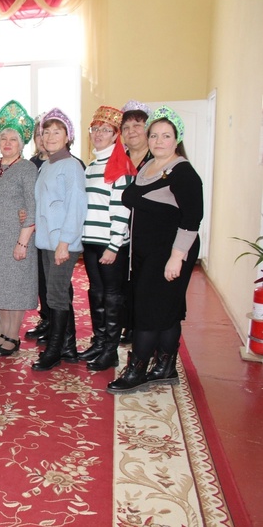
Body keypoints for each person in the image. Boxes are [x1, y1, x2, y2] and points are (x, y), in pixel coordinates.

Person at [108, 106, 203, 393]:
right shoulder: (148, 166)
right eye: (154, 135)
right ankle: (165, 367)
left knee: (149, 311)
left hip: (170, 252)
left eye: (166, 136)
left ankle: (136, 371)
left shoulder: (184, 173)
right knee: (166, 308)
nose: (159, 141)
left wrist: (176, 258)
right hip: (145, 253)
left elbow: (192, 220)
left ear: (177, 140)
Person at [0, 100, 37, 357]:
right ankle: (2, 333)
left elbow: (33, 207)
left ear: (22, 144)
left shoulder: (27, 168)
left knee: (15, 289)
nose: (7, 143)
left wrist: (22, 242)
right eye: (3, 138)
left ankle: (13, 336)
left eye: (13, 139)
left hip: (17, 238)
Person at [79, 105, 134, 372]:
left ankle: (111, 351)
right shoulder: (91, 166)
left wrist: (113, 246)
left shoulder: (120, 166)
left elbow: (122, 209)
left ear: (115, 135)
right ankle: (99, 342)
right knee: (96, 292)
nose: (98, 134)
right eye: (95, 129)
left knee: (111, 297)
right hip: (91, 240)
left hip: (110, 244)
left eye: (105, 130)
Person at [31, 108, 87, 371]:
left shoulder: (71, 166)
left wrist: (65, 243)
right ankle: (68, 347)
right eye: (46, 132)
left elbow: (77, 206)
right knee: (58, 294)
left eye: (57, 132)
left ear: (68, 136)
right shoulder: (48, 165)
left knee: (55, 296)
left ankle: (53, 351)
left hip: (62, 244)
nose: (50, 137)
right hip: (46, 242)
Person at [117, 100, 154, 346]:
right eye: (126, 127)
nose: (131, 131)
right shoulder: (119, 159)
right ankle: (128, 325)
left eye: (137, 126)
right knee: (124, 281)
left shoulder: (156, 159)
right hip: (121, 231)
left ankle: (144, 327)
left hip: (148, 231)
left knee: (145, 282)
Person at [25, 114, 51, 343]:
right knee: (40, 279)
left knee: (56, 282)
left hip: (53, 233)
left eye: (47, 134)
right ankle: (46, 319)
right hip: (34, 232)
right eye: (39, 134)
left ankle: (58, 326)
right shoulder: (30, 164)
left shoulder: (67, 162)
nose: (43, 139)